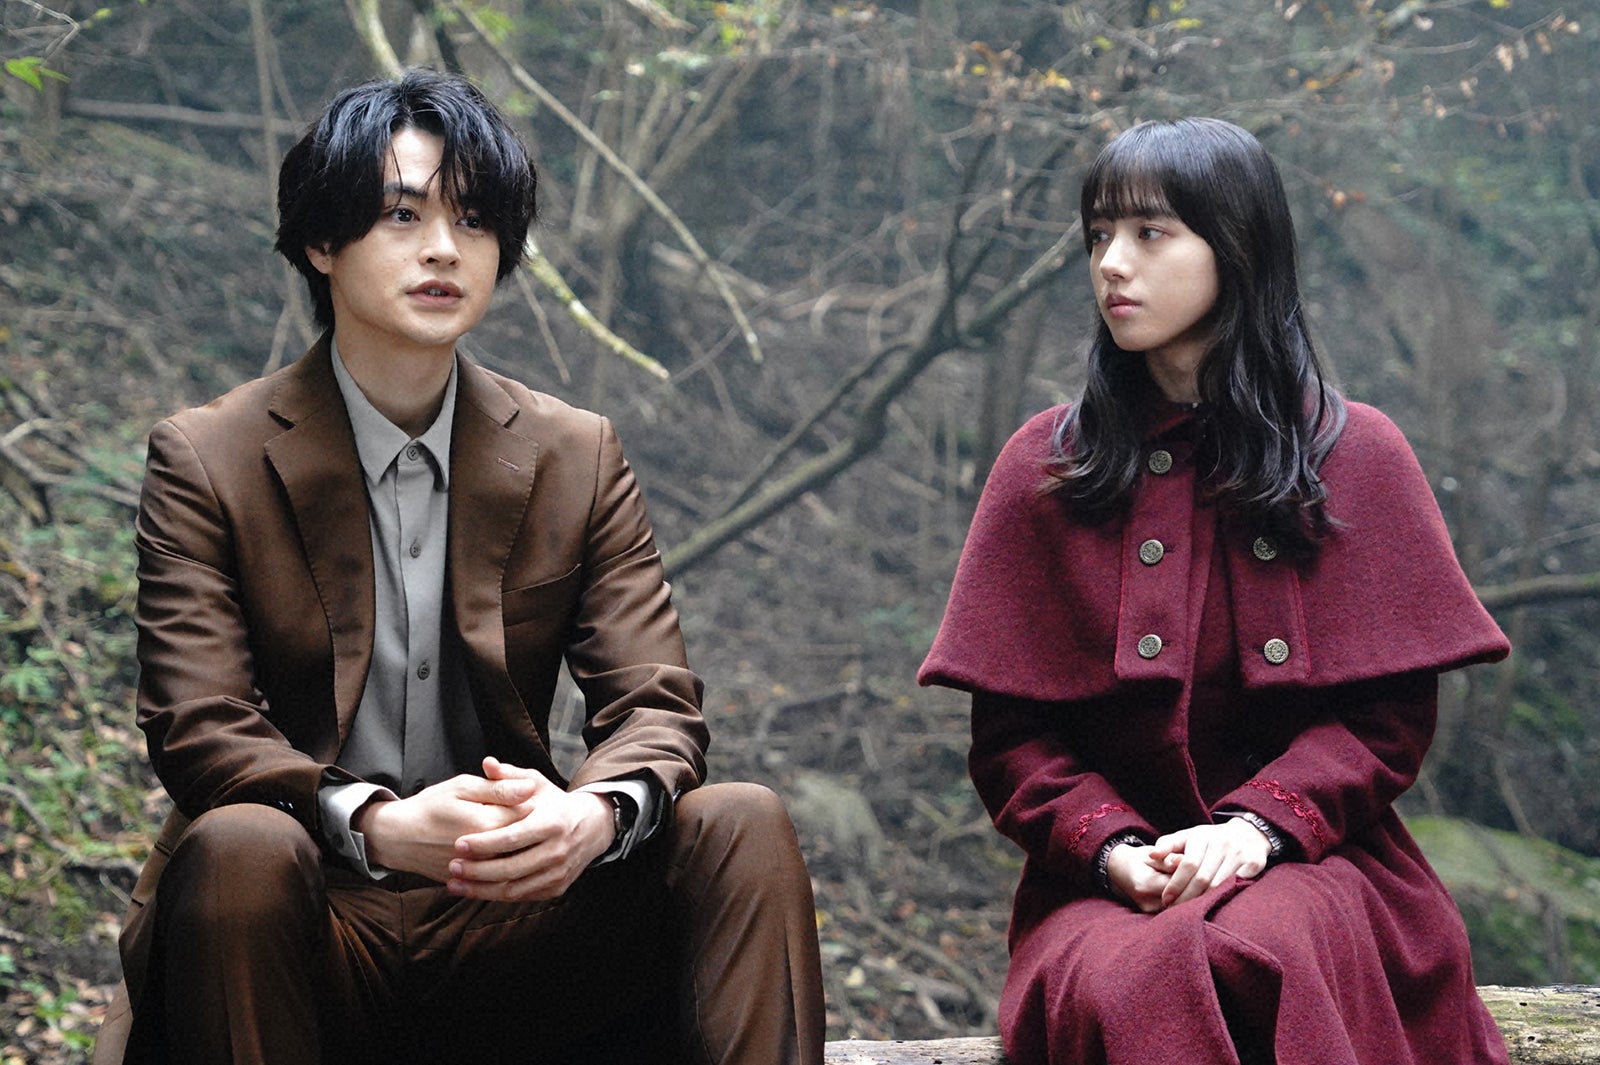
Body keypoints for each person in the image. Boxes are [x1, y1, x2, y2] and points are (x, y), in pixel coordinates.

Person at [93, 68, 825, 1065]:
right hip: (306, 927)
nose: (444, 247)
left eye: (474, 220)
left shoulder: (574, 453)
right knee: (241, 843)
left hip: (519, 921)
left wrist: (590, 815)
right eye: (403, 214)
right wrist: (379, 825)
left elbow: (655, 703)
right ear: (321, 241)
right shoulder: (207, 457)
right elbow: (199, 726)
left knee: (741, 820)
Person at [919, 118, 1511, 1065]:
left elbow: (1388, 721)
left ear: (1234, 247)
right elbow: (1012, 742)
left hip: (1327, 864)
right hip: (1101, 890)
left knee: (1264, 944)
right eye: (1099, 236)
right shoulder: (1046, 466)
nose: (1112, 264)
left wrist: (1260, 827)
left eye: (1150, 233)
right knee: (1131, 981)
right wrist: (1112, 849)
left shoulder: (1359, 453)